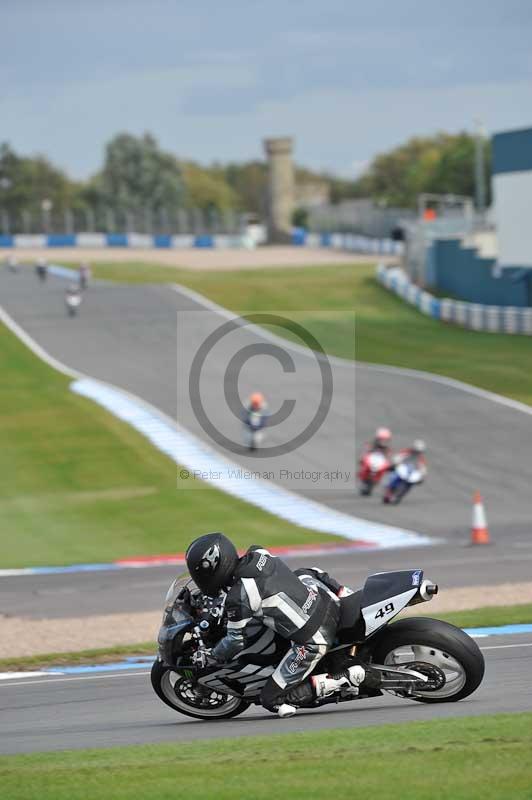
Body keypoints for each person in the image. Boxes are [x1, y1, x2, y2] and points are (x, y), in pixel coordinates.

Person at [185, 533, 381, 718]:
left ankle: (345, 676)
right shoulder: (258, 553)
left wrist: (213, 656)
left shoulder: (239, 597)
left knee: (271, 699)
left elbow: (235, 641)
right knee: (304, 573)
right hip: (322, 599)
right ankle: (342, 593)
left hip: (314, 638)